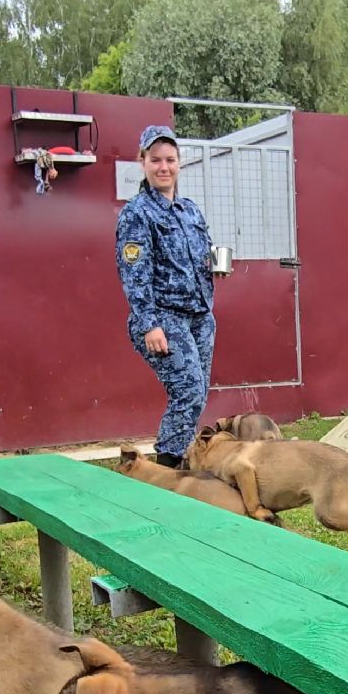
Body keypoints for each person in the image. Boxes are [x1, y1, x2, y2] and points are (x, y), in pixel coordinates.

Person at [116, 125, 218, 469]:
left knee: (198, 394)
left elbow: (198, 256)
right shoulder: (137, 213)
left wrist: (212, 266)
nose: (164, 167)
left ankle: (184, 465)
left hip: (200, 316)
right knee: (188, 391)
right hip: (163, 318)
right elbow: (134, 272)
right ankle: (166, 468)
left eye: (170, 160)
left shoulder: (190, 210)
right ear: (142, 162)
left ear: (179, 163)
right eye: (155, 159)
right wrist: (149, 324)